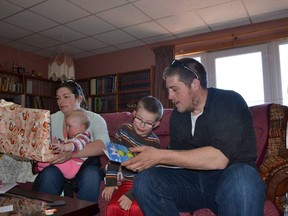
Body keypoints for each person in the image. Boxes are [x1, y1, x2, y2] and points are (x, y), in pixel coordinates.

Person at [122, 58, 266, 215]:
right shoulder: (178, 115)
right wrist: (145, 161)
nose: (169, 96)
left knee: (242, 177)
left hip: (229, 181)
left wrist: (160, 156)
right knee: (146, 180)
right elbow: (177, 159)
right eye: (168, 90)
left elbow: (218, 159)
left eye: (174, 89)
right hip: (193, 183)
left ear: (195, 84)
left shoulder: (229, 101)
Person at [32, 79, 110, 202]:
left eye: (66, 97)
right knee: (48, 174)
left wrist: (71, 154)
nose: (61, 102)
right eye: (58, 98)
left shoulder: (95, 119)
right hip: (59, 167)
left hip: (85, 165)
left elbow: (104, 145)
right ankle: (42, 210)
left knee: (91, 175)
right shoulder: (50, 119)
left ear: (78, 99)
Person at [102, 96, 163, 216]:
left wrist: (132, 194)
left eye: (148, 123)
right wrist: (111, 182)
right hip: (126, 180)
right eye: (139, 119)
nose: (142, 125)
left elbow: (150, 175)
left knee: (136, 208)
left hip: (142, 183)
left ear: (156, 124)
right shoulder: (123, 130)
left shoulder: (154, 143)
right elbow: (114, 157)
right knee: (113, 207)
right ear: (134, 114)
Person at [37, 109, 92, 179]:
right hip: (71, 163)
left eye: (69, 126)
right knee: (57, 158)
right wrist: (57, 142)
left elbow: (76, 145)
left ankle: (42, 164)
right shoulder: (72, 137)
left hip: (75, 166)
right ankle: (42, 164)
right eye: (66, 126)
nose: (67, 128)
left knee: (58, 161)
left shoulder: (84, 136)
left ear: (82, 127)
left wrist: (64, 147)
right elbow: (66, 143)